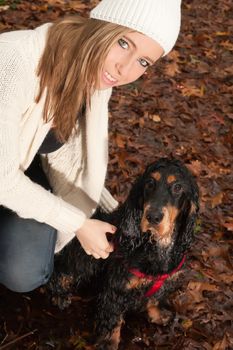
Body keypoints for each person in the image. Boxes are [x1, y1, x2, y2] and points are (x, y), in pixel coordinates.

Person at [0, 0, 182, 293]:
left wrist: (113, 211)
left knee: (27, 270)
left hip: (21, 163)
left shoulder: (92, 77)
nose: (124, 69)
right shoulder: (12, 60)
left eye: (143, 62)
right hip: (3, 174)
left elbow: (65, 156)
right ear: (102, 25)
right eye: (124, 43)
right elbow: (2, 177)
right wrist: (79, 224)